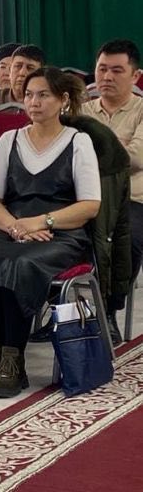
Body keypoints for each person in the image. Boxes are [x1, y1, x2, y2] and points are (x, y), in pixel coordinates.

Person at [0, 68, 101, 398]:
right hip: (11, 227)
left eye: (43, 95)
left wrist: (41, 222)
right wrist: (16, 227)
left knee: (20, 265)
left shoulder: (78, 141)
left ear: (63, 100)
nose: (34, 102)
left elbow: (89, 206)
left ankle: (14, 357)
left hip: (62, 232)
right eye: (28, 95)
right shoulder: (9, 140)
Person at [85, 39, 143, 336]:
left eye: (117, 70)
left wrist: (92, 148)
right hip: (82, 197)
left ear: (135, 75)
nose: (107, 77)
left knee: (126, 241)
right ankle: (58, 310)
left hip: (131, 199)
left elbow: (135, 158)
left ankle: (108, 311)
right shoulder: (81, 110)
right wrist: (117, 145)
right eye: (102, 69)